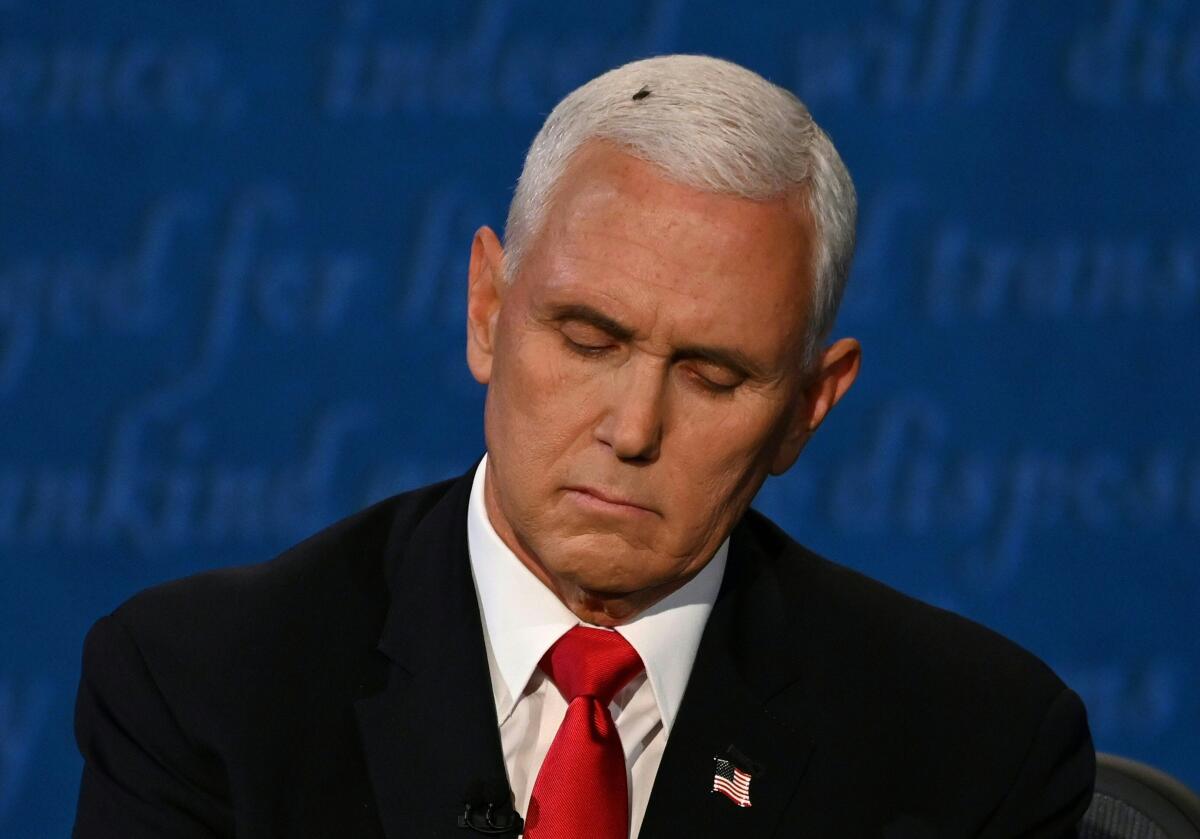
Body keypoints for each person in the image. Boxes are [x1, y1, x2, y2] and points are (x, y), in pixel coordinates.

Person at [72, 55, 1095, 838]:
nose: (633, 428)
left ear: (808, 407)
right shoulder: (207, 689)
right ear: (486, 308)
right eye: (590, 340)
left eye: (713, 375)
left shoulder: (972, 750)